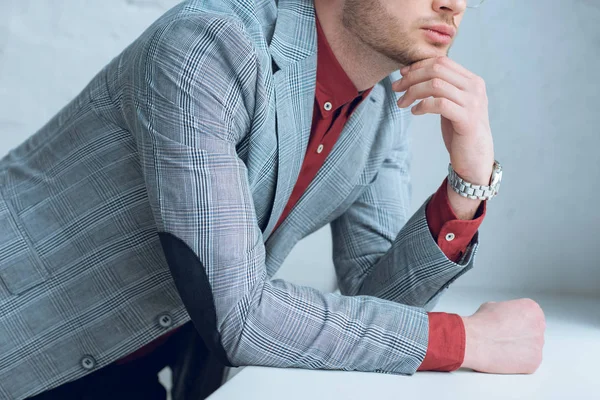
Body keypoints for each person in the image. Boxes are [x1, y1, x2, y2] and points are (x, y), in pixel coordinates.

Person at [0, 0, 546, 399]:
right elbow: (243, 314)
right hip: (23, 342)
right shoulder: (209, 47)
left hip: (141, 361)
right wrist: (466, 340)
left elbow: (379, 300)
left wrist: (467, 182)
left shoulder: (381, 103)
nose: (454, 5)